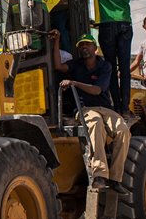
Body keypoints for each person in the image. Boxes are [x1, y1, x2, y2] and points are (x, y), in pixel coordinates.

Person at [51, 31, 131, 199]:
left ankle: (116, 178)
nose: (84, 47)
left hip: (105, 108)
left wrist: (73, 83)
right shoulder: (75, 65)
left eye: (87, 44)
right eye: (81, 45)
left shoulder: (105, 66)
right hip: (85, 109)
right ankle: (100, 175)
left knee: (123, 129)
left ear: (95, 48)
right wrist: (57, 41)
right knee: (95, 123)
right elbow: (58, 66)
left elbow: (97, 90)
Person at [71, 0, 133, 115]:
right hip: (126, 24)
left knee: (110, 66)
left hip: (108, 24)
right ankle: (125, 106)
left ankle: (115, 104)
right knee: (125, 69)